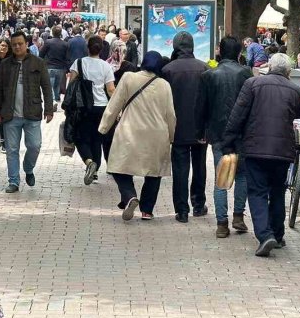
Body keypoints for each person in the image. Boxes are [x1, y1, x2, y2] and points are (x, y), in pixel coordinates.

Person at [221, 53, 300, 257]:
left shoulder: (253, 84)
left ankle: (265, 235)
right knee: (277, 191)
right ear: (288, 71)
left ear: (269, 67)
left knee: (257, 192)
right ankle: (277, 233)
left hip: (255, 148)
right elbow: (299, 119)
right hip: (283, 151)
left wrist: (228, 141)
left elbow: (237, 115)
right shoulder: (296, 91)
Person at [98, 51, 175, 221]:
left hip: (130, 131)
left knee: (117, 166)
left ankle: (129, 195)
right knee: (154, 172)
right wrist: (171, 136)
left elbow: (114, 105)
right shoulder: (164, 85)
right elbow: (171, 114)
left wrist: (103, 128)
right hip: (157, 134)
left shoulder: (128, 78)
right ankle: (147, 210)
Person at [196, 36, 252, 238]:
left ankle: (221, 223)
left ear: (219, 50)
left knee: (221, 177)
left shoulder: (209, 75)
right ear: (239, 53)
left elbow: (201, 106)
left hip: (217, 132)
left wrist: (200, 131)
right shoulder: (246, 73)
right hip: (242, 133)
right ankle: (238, 215)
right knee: (242, 175)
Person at [0, 31, 53, 193]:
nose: (17, 46)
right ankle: (13, 181)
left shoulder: (37, 63)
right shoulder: (5, 65)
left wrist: (49, 109)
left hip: (32, 112)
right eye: (14, 44)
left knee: (34, 146)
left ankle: (28, 168)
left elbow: (46, 87)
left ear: (27, 44)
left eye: (20, 43)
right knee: (11, 149)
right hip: (10, 115)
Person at [161, 32, 209, 223]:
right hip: (200, 127)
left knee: (180, 169)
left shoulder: (167, 70)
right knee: (199, 166)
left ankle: (181, 210)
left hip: (177, 127)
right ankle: (198, 204)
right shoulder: (204, 68)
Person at [67, 35, 116, 185]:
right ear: (101, 49)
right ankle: (94, 171)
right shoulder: (106, 66)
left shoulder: (79, 63)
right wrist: (116, 109)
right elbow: (111, 90)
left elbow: (71, 85)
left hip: (83, 108)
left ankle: (89, 163)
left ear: (87, 48)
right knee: (97, 139)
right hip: (101, 107)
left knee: (80, 137)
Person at [40, 25, 69, 111]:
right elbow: (67, 57)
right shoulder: (65, 44)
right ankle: (55, 100)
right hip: (60, 68)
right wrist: (67, 69)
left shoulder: (48, 42)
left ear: (52, 32)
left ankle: (53, 101)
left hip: (49, 67)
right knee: (57, 86)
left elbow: (41, 54)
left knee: (50, 85)